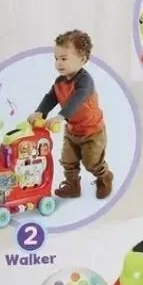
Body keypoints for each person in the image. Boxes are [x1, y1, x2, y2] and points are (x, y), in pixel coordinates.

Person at [29, 30, 111, 199]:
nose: (58, 63)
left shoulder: (85, 81)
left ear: (82, 60)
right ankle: (72, 185)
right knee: (68, 160)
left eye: (64, 58)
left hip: (92, 132)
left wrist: (60, 117)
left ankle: (105, 176)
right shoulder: (60, 81)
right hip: (73, 131)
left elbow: (76, 100)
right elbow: (51, 97)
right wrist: (39, 112)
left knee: (91, 162)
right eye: (56, 58)